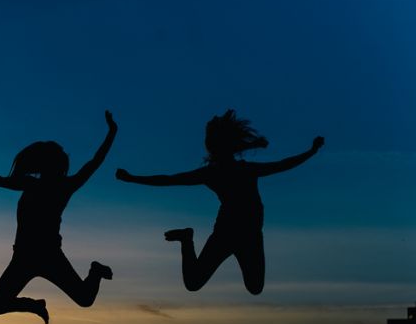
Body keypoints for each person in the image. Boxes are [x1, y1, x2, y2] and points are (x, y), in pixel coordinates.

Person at [116, 109, 324, 295]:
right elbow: (170, 180)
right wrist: (133, 178)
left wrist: (310, 152)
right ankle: (186, 239)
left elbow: (282, 165)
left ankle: (187, 239)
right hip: (228, 232)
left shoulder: (236, 170)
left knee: (254, 287)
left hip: (248, 235)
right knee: (195, 283)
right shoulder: (221, 172)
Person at [0, 111, 118, 324]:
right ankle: (35, 305)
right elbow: (3, 181)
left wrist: (112, 132)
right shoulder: (32, 184)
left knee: (85, 299)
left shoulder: (64, 186)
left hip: (49, 256)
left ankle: (95, 272)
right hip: (23, 257)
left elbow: (95, 161)